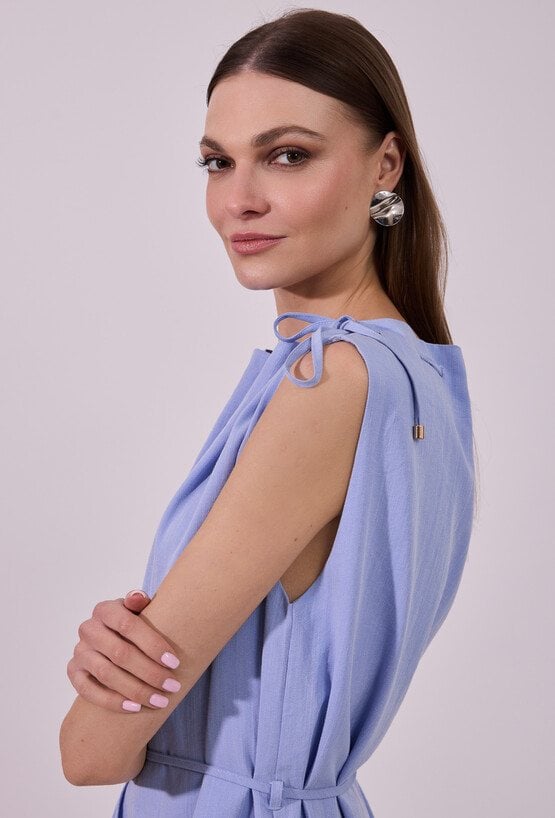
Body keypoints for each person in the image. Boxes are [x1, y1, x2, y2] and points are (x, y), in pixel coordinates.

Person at [59, 8, 477, 817]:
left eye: (288, 155)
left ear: (385, 164)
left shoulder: (327, 383)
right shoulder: (416, 373)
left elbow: (90, 752)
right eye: (217, 162)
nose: (240, 200)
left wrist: (105, 683)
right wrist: (123, 661)